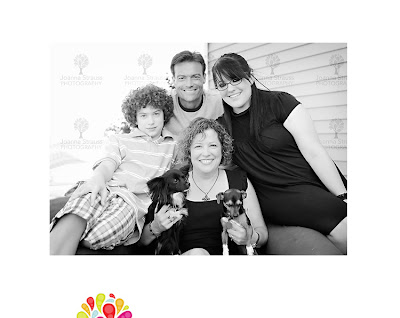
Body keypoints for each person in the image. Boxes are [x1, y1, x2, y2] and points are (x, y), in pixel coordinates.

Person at [212, 53, 347, 254]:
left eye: (235, 79)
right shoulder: (221, 128)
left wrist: (343, 194)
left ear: (250, 77)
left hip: (312, 184)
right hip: (277, 199)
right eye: (222, 84)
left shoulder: (280, 103)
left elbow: (314, 151)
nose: (230, 88)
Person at [50, 84, 177, 255]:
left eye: (156, 114)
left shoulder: (172, 146)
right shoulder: (119, 139)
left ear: (164, 114)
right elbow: (108, 163)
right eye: (143, 115)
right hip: (106, 188)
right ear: (135, 118)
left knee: (95, 237)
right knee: (76, 213)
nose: (151, 121)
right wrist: (98, 178)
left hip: (131, 203)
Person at [139, 118, 268, 255]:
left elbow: (263, 235)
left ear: (222, 149)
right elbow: (141, 243)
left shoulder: (239, 181)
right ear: (189, 151)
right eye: (198, 146)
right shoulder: (171, 183)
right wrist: (156, 228)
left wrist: (250, 237)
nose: (206, 153)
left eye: (213, 145)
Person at [165, 50, 223, 136]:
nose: (189, 84)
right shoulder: (164, 103)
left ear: (204, 78)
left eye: (195, 77)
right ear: (174, 80)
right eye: (182, 78)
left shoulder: (220, 102)